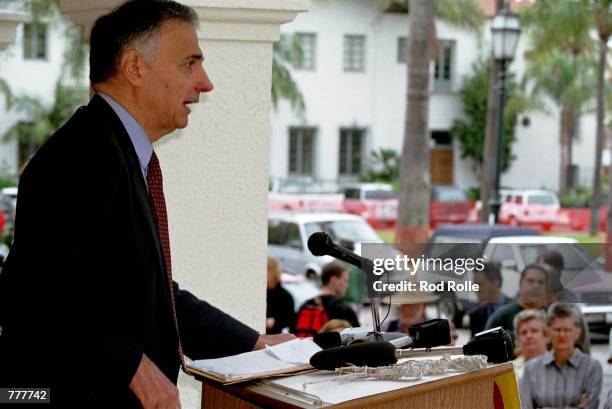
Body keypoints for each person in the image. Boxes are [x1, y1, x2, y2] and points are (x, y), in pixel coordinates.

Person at [0, 1, 292, 407]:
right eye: (190, 63)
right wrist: (132, 366)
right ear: (135, 67)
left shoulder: (117, 151)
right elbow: (36, 293)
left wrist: (253, 344)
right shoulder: (79, 157)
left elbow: (146, 293)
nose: (205, 83)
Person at [520, 303, 602, 409]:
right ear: (548, 332)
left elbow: (591, 406)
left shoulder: (592, 367)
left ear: (578, 332)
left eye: (567, 329)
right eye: (557, 329)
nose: (562, 335)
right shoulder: (531, 368)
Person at [294, 262, 359, 337]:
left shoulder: (305, 305)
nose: (347, 285)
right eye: (345, 280)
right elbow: (357, 339)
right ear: (334, 280)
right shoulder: (342, 309)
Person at [485, 264, 548, 334]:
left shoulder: (551, 317)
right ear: (520, 284)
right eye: (530, 281)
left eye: (541, 282)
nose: (536, 286)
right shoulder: (502, 317)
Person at [468, 263, 508, 336]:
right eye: (474, 285)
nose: (476, 289)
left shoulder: (517, 310)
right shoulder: (475, 315)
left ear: (496, 283)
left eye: (480, 284)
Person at [512, 309, 548, 380]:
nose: (529, 336)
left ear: (545, 334)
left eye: (534, 331)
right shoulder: (508, 371)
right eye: (524, 332)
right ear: (518, 339)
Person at [266, 256, 295, 334]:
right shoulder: (260, 294)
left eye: (266, 270)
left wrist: (275, 321)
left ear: (273, 272)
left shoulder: (285, 296)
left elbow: (290, 321)